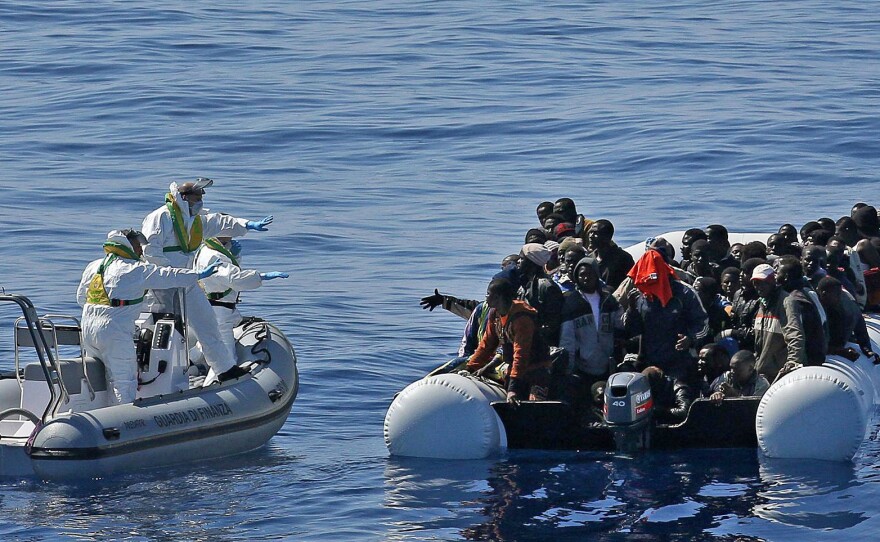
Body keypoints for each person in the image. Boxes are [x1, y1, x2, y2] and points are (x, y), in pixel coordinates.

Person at [141, 178, 275, 380]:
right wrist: (170, 273)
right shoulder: (160, 217)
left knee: (207, 322)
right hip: (165, 283)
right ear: (184, 198)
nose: (201, 202)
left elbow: (220, 222)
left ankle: (224, 370)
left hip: (188, 281)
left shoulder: (194, 220)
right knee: (169, 328)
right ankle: (158, 376)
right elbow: (150, 251)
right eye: (198, 198)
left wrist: (247, 224)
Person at [76, 229, 223, 404]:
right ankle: (124, 423)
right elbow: (168, 276)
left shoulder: (93, 266)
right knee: (124, 382)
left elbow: (80, 298)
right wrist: (199, 274)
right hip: (114, 331)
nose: (140, 250)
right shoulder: (135, 270)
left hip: (87, 328)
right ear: (129, 246)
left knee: (98, 376)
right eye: (138, 245)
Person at [194, 236, 289, 360]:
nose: (232, 237)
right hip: (219, 311)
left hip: (212, 306)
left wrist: (234, 256)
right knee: (226, 357)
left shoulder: (205, 249)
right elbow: (234, 279)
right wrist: (261, 276)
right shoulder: (214, 256)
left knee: (207, 342)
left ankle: (190, 364)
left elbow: (226, 273)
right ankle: (221, 377)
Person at [623, 249, 709, 379]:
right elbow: (630, 330)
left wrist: (690, 338)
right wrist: (631, 309)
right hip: (649, 361)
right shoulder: (639, 294)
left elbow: (703, 323)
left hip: (680, 361)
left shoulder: (684, 293)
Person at [464, 278, 551, 402]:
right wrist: (470, 368)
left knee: (533, 403)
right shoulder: (495, 314)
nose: (486, 298)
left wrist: (512, 389)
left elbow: (521, 354)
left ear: (498, 297)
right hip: (515, 368)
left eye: (488, 294)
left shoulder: (521, 319)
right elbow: (487, 344)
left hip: (537, 369)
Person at [559, 256, 626, 403]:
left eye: (590, 274)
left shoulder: (609, 300)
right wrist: (568, 368)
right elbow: (567, 339)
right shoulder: (571, 302)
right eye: (582, 274)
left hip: (608, 365)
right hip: (583, 367)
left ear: (597, 275)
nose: (586, 278)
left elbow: (621, 326)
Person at [751, 263, 806, 382]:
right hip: (762, 372)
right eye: (756, 283)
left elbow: (795, 334)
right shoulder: (762, 304)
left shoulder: (787, 302)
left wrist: (793, 361)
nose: (759, 286)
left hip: (779, 373)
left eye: (763, 282)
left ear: (772, 281)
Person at [776, 255, 827, 366]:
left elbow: (798, 335)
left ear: (785, 277)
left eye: (776, 270)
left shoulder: (796, 300)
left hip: (805, 362)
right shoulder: (806, 292)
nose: (773, 274)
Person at [816, 276, 880, 364]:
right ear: (823, 294)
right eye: (837, 294)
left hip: (840, 333)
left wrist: (867, 349)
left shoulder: (848, 307)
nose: (839, 297)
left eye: (840, 293)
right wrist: (839, 351)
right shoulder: (813, 306)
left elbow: (860, 325)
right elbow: (813, 342)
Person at [518, 243, 565, 347]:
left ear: (532, 263)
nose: (518, 261)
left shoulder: (547, 287)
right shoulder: (524, 284)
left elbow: (553, 323)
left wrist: (533, 335)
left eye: (522, 259)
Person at [586, 219, 634, 289]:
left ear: (607, 237)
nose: (591, 236)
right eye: (591, 232)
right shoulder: (589, 259)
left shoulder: (623, 259)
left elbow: (631, 282)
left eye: (596, 233)